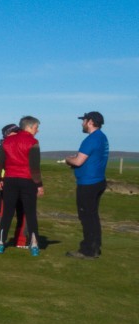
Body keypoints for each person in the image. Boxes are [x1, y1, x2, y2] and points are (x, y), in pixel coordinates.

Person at [0, 116, 43, 256]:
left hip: (10, 180)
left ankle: (0, 243)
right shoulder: (33, 142)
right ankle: (34, 245)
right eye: (36, 127)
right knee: (30, 213)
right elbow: (35, 168)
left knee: (7, 213)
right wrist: (39, 185)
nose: (37, 130)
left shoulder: (6, 142)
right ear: (29, 127)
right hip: (27, 180)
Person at [65, 111, 109, 259]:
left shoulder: (91, 139)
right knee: (93, 216)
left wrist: (68, 159)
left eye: (83, 120)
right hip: (98, 181)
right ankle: (95, 247)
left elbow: (78, 161)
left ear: (90, 122)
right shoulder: (102, 137)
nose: (82, 123)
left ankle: (88, 250)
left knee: (87, 217)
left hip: (88, 183)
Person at [0, 124, 26, 248]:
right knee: (3, 214)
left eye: (18, 132)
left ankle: (22, 241)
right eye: (14, 132)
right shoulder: (4, 147)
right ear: (6, 135)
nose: (17, 134)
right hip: (7, 185)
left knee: (25, 214)